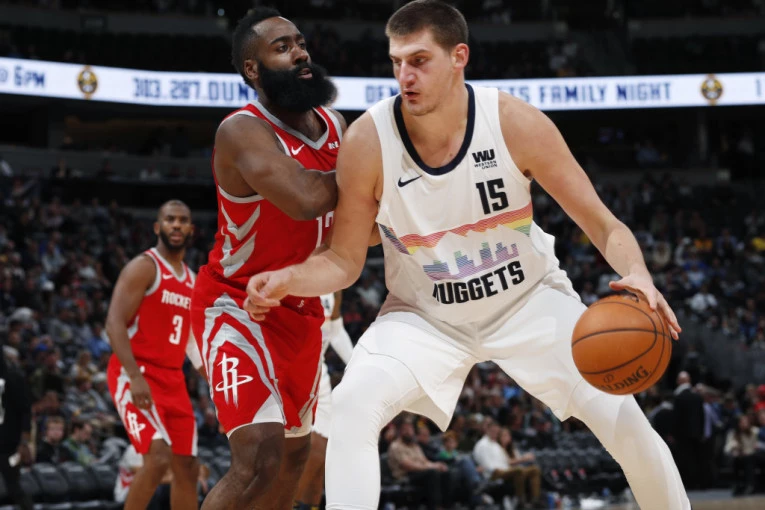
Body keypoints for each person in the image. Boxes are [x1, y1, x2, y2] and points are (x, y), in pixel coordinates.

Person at [244, 1, 690, 509]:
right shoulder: (368, 140)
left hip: (527, 301)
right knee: (349, 407)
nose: (404, 76)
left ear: (459, 56)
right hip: (424, 316)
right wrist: (288, 279)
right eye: (396, 62)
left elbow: (603, 224)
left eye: (419, 61)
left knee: (629, 428)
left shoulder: (514, 122)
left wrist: (638, 273)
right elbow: (344, 261)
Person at [188, 8, 348, 510]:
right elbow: (304, 197)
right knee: (259, 458)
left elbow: (355, 224)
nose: (299, 53)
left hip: (301, 307)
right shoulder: (241, 130)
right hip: (237, 303)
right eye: (282, 47)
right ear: (252, 69)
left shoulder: (336, 125)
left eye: (300, 42)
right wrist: (376, 165)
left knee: (295, 460)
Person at [106, 200, 203, 510]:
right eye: (170, 219)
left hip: (173, 380)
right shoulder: (145, 267)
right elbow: (114, 323)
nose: (176, 225)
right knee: (158, 458)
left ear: (191, 229)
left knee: (187, 467)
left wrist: (219, 389)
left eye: (182, 220)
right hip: (136, 372)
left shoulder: (193, 280)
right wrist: (134, 376)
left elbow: (192, 344)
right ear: (157, 227)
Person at [295, 291, 354, 510]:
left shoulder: (336, 285)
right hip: (294, 366)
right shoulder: (295, 276)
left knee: (324, 455)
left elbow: (336, 332)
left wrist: (357, 364)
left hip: (319, 370)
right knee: (314, 449)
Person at [0, 343, 33, 510]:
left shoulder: (14, 378)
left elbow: (26, 411)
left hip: (10, 447)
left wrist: (24, 442)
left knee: (14, 487)